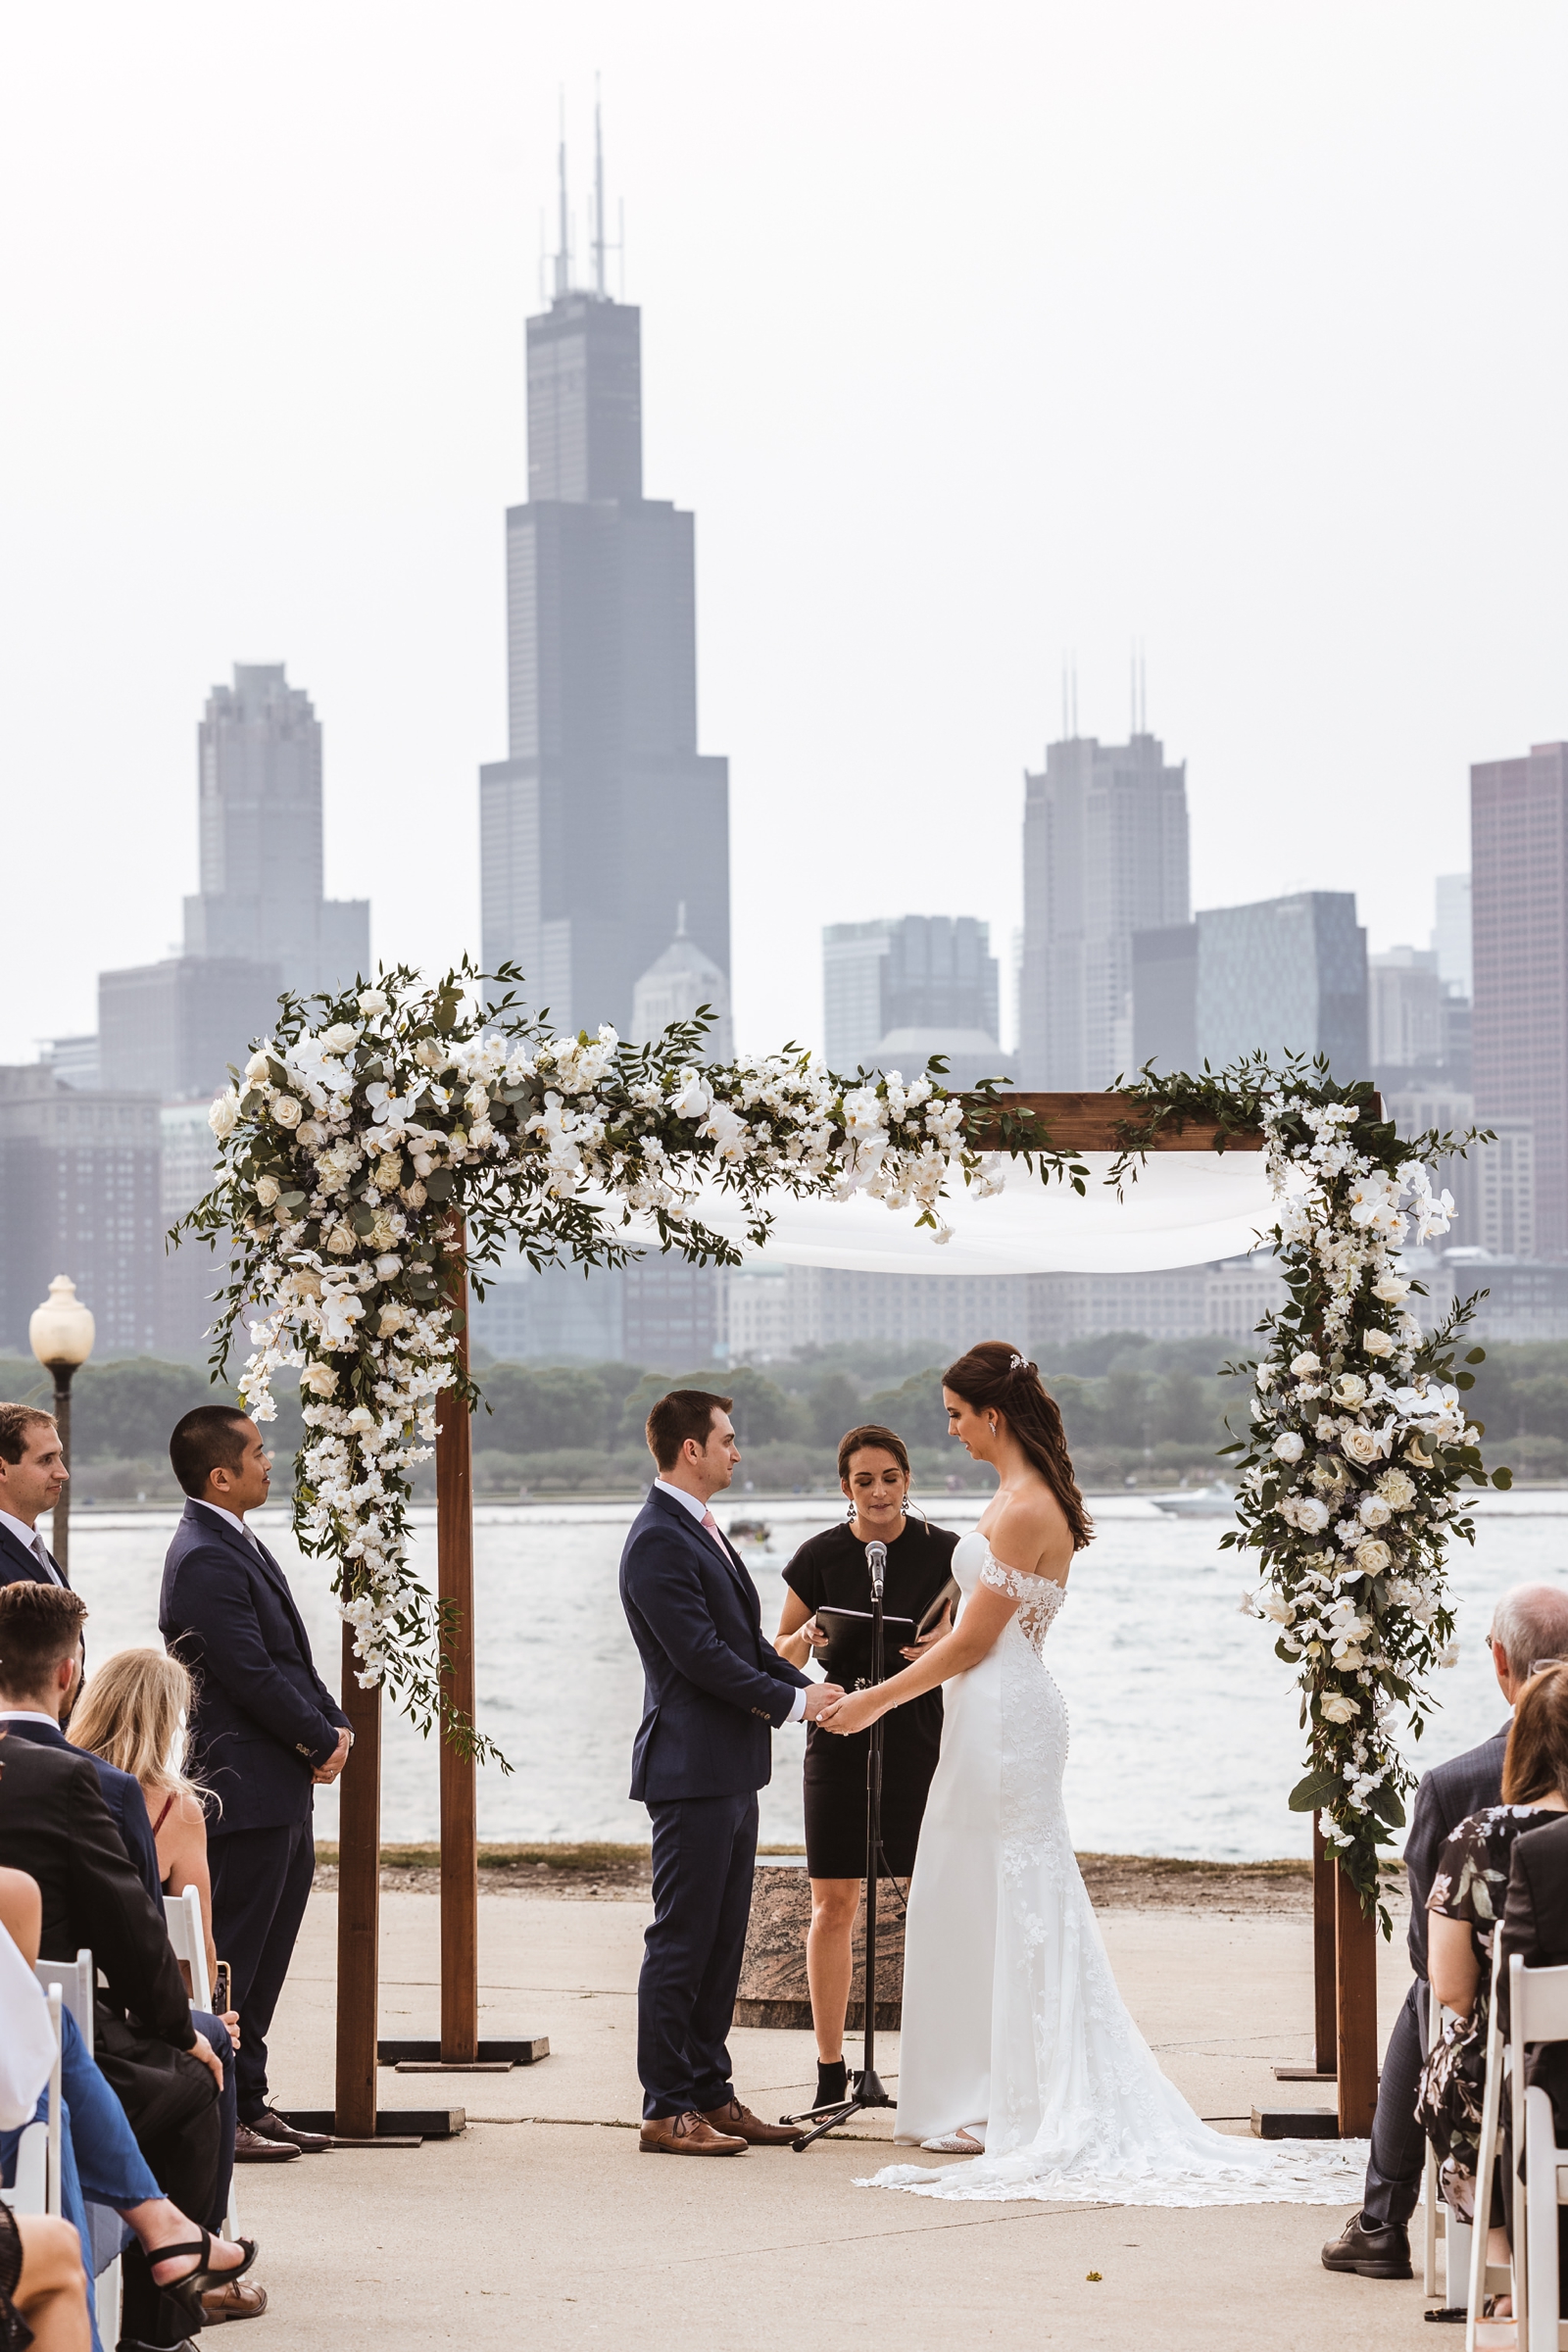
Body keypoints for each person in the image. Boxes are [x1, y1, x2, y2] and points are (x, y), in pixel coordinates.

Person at [818, 1341, 1359, 2206]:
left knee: (1006, 1893)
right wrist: (950, 1626)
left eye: (956, 1417)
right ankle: (983, 2092)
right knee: (967, 1891)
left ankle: (1010, 2101)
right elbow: (978, 1616)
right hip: (988, 1706)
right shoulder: (1013, 1496)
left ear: (992, 1416)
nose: (951, 1432)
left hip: (1003, 1715)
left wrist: (877, 1699)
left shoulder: (1028, 1504)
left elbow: (975, 1642)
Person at [0, 1585, 257, 2302]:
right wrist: (182, 2028)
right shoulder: (79, 1783)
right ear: (66, 1674)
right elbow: (136, 1934)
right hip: (45, 2045)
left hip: (44, 2033)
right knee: (204, 2060)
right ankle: (165, 2308)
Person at [1319, 1580, 1568, 2282]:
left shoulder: (1460, 1793)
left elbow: (1441, 1973)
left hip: (1506, 2059)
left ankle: (1386, 2222)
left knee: (1429, 1999)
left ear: (1500, 1664)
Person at [618, 1389, 843, 2156]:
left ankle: (711, 2093)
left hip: (728, 1768)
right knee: (681, 1939)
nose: (736, 1451)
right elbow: (700, 1659)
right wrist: (795, 1703)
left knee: (722, 1940)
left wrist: (804, 1682)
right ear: (692, 1449)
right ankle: (665, 2107)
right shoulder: (657, 1539)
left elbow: (738, 1641)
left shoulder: (698, 1530)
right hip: (688, 1768)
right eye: (727, 1439)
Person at [160, 1406, 351, 2160]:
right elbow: (246, 1672)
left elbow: (291, 1659)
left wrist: (336, 1726)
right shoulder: (203, 1556)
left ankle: (254, 2097)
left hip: (282, 1786)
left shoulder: (231, 1541)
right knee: (232, 1954)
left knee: (268, 1954)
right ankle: (222, 2110)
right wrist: (314, 1736)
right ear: (221, 1475)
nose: (272, 1462)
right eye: (260, 1452)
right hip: (244, 1788)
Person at [773, 1423, 957, 2112]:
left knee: (933, 1900)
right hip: (840, 1732)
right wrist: (803, 1637)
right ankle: (829, 2069)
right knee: (834, 1903)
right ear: (844, 1488)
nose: (878, 1493)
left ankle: (940, 2066)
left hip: (921, 1734)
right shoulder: (818, 1555)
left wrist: (946, 1637)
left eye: (889, 1478)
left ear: (908, 1480)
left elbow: (982, 1641)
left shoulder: (950, 1552)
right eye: (863, 1482)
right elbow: (779, 1658)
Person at [0, 1866, 258, 2351]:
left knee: (55, 2049)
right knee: (207, 2052)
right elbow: (149, 1930)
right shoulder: (92, 1795)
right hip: (75, 2065)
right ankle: (163, 2295)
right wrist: (184, 2028)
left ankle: (167, 2231)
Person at [1413, 1662, 1568, 2309]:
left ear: (1521, 1740)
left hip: (1523, 2079)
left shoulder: (1480, 1837)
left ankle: (1506, 2261)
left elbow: (1448, 1986)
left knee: (1452, 2071)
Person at [1498, 1750, 1568, 2315]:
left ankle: (1546, 2298)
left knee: (1519, 2094)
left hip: (1561, 2114)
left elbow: (1507, 2007)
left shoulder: (1544, 1853)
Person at [0, 1407, 70, 1589]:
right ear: (2, 1469)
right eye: (46, 1459)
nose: (63, 1473)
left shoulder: (31, 1545)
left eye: (58, 1456)